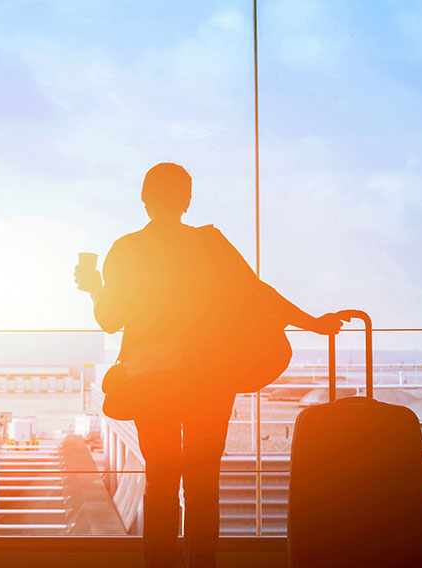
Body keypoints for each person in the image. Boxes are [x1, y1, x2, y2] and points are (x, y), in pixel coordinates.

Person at [74, 163, 342, 568]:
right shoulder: (211, 244)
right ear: (187, 200)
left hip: (153, 381)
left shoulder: (127, 249)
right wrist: (313, 324)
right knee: (202, 485)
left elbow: (110, 320)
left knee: (162, 482)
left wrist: (95, 289)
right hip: (209, 380)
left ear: (145, 199)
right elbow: (260, 294)